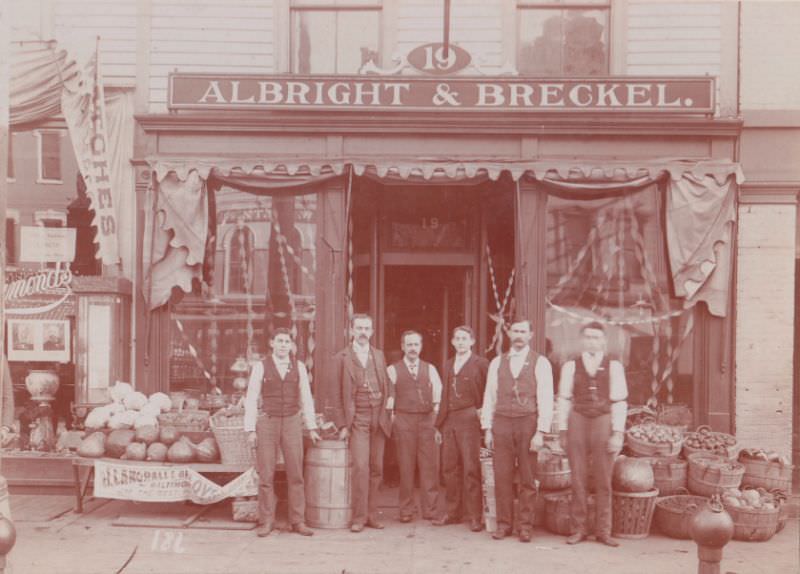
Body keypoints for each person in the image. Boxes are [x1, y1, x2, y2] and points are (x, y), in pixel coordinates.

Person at [481, 318, 554, 542]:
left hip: (527, 423)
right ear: (509, 334)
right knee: (501, 476)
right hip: (502, 423)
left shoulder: (540, 362)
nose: (519, 335)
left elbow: (545, 398)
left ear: (531, 335)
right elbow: (489, 397)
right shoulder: (497, 362)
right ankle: (503, 524)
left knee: (527, 477)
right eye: (515, 331)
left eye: (523, 331)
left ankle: (525, 526)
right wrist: (488, 428)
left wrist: (541, 431)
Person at [557, 321, 628, 547]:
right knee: (577, 477)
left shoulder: (614, 366)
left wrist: (617, 433)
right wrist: (563, 430)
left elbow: (619, 401)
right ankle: (578, 529)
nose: (591, 341)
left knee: (603, 477)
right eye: (587, 337)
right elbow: (564, 399)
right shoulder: (570, 366)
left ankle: (604, 531)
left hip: (603, 420)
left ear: (603, 342)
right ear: (581, 340)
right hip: (577, 419)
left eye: (596, 338)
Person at [244, 328, 320, 538]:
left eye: (287, 341)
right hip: (267, 422)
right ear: (272, 343)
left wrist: (311, 426)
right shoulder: (261, 367)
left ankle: (298, 520)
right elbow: (251, 398)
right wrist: (250, 429)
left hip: (292, 422)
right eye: (279, 341)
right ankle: (267, 520)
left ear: (291, 345)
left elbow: (306, 398)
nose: (283, 345)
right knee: (266, 473)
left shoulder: (300, 367)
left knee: (296, 473)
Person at [330, 314, 394, 533]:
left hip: (379, 417)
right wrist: (342, 425)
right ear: (351, 330)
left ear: (372, 331)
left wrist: (388, 408)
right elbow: (336, 396)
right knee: (360, 467)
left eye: (367, 328)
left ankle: (372, 515)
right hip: (357, 419)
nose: (363, 332)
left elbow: (387, 385)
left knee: (377, 467)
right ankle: (358, 517)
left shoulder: (378, 355)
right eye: (359, 328)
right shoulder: (342, 358)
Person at [433, 326, 488, 532]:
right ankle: (453, 512)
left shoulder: (481, 363)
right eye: (457, 338)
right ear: (453, 342)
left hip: (470, 417)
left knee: (471, 468)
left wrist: (482, 417)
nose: (461, 342)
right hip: (450, 419)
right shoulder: (448, 365)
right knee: (449, 468)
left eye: (465, 339)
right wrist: (439, 425)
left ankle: (475, 516)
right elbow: (445, 395)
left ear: (472, 342)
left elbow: (487, 392)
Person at [386, 330, 442, 523]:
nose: (412, 348)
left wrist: (435, 421)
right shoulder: (393, 370)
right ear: (402, 347)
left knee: (429, 466)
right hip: (404, 421)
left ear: (421, 347)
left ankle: (431, 509)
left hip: (426, 420)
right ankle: (406, 510)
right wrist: (394, 421)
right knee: (406, 466)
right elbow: (389, 398)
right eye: (409, 345)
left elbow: (438, 398)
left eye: (416, 345)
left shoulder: (430, 369)